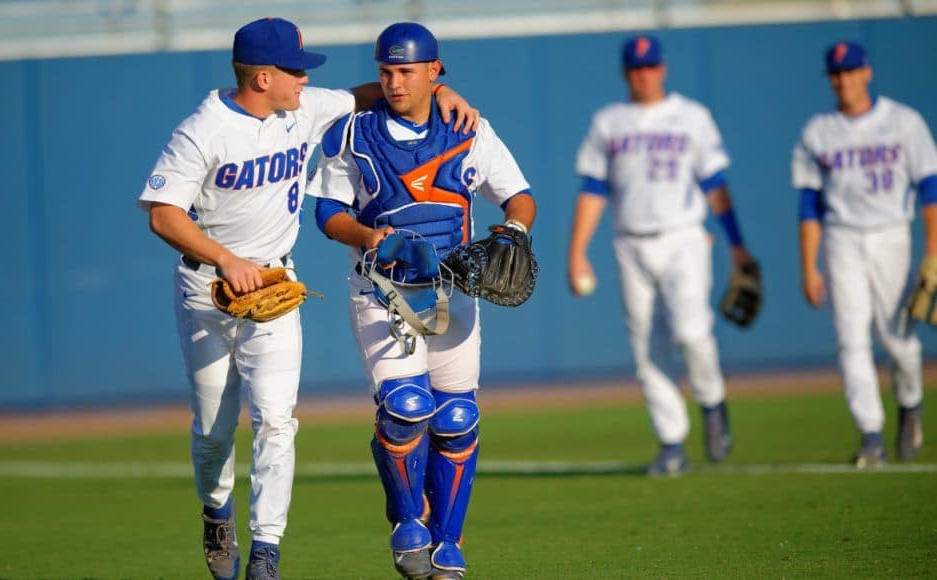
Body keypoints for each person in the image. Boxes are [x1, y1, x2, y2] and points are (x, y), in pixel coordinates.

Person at [137, 17, 478, 580]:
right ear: (263, 77)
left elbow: (372, 94)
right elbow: (163, 213)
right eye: (296, 70)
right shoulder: (202, 130)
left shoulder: (302, 106)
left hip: (276, 287)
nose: (305, 78)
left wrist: (440, 88)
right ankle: (217, 512)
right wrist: (225, 258)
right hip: (208, 290)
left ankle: (266, 552)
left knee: (276, 421)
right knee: (214, 433)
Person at [307, 22, 536, 580]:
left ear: (435, 71)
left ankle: (448, 541)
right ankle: (409, 519)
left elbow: (519, 196)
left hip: (454, 288)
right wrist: (367, 236)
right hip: (382, 290)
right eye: (385, 71)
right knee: (406, 408)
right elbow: (326, 212)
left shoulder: (469, 129)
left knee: (457, 418)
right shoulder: (354, 134)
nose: (393, 82)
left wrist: (513, 230)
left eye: (405, 71)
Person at [567, 34, 757, 476]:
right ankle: (671, 441)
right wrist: (577, 252)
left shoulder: (692, 117)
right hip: (630, 241)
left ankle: (711, 401)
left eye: (650, 66)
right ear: (625, 72)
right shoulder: (608, 122)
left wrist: (737, 243)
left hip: (684, 236)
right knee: (646, 347)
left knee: (691, 333)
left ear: (663, 68)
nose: (643, 73)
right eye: (636, 67)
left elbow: (715, 185)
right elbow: (593, 190)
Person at [792, 41, 936, 467]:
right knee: (850, 340)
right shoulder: (817, 132)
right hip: (841, 238)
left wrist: (934, 249)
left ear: (867, 73)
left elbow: (930, 189)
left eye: (851, 71)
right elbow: (808, 206)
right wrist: (808, 266)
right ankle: (870, 433)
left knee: (899, 341)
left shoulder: (904, 123)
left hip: (891, 233)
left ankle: (909, 405)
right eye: (837, 74)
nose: (844, 80)